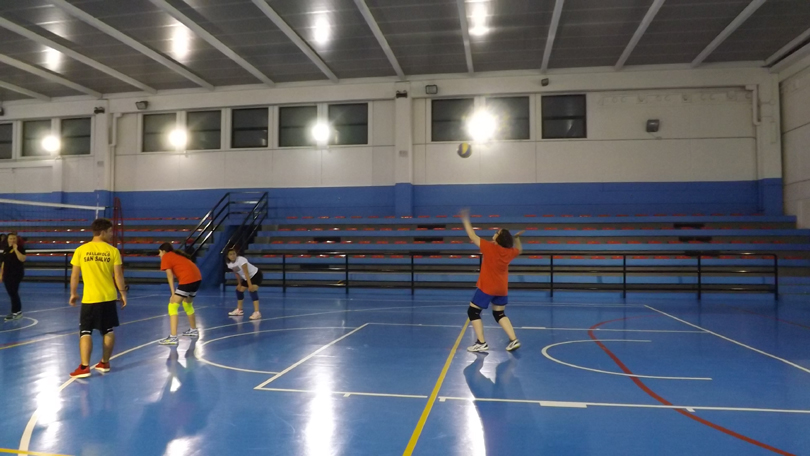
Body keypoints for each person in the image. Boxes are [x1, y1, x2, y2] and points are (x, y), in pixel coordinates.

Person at [69, 218, 127, 378]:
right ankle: (105, 363)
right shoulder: (113, 251)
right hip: (108, 297)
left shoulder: (81, 250)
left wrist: (73, 293)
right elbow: (118, 275)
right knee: (108, 330)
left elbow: (74, 275)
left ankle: (84, 367)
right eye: (110, 231)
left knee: (85, 331)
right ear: (102, 232)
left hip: (90, 298)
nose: (112, 234)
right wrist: (123, 293)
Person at [460, 209, 523, 352]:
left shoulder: (489, 248)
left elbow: (472, 235)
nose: (495, 232)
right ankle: (514, 340)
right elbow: (519, 250)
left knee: (473, 312)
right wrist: (517, 239)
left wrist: (465, 220)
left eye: (497, 232)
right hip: (501, 289)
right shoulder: (509, 252)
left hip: (487, 287)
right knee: (499, 313)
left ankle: (481, 342)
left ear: (499, 238)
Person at [158, 243, 201, 345]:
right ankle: (193, 330)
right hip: (197, 278)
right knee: (187, 304)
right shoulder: (177, 255)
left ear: (164, 251)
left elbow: (170, 276)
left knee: (172, 306)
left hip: (188, 279)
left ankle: (173, 337)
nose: (159, 255)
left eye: (159, 252)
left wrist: (173, 294)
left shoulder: (166, 257)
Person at [225, 248, 262, 320]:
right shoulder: (229, 264)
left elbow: (246, 272)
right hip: (246, 278)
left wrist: (250, 285)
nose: (233, 256)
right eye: (230, 254)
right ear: (227, 256)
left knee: (252, 290)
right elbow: (237, 273)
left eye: (234, 254)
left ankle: (257, 312)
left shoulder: (241, 260)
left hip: (256, 275)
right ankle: (239, 310)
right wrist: (239, 283)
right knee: (239, 290)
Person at [2, 232, 26, 321]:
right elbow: (3, 263)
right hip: (7, 274)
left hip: (16, 274)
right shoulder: (6, 250)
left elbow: (22, 259)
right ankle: (15, 311)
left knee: (13, 292)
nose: (12, 240)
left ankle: (17, 312)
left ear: (16, 240)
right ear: (8, 240)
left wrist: (15, 250)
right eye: (10, 238)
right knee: (11, 293)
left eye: (14, 238)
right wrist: (1, 274)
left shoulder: (20, 248)